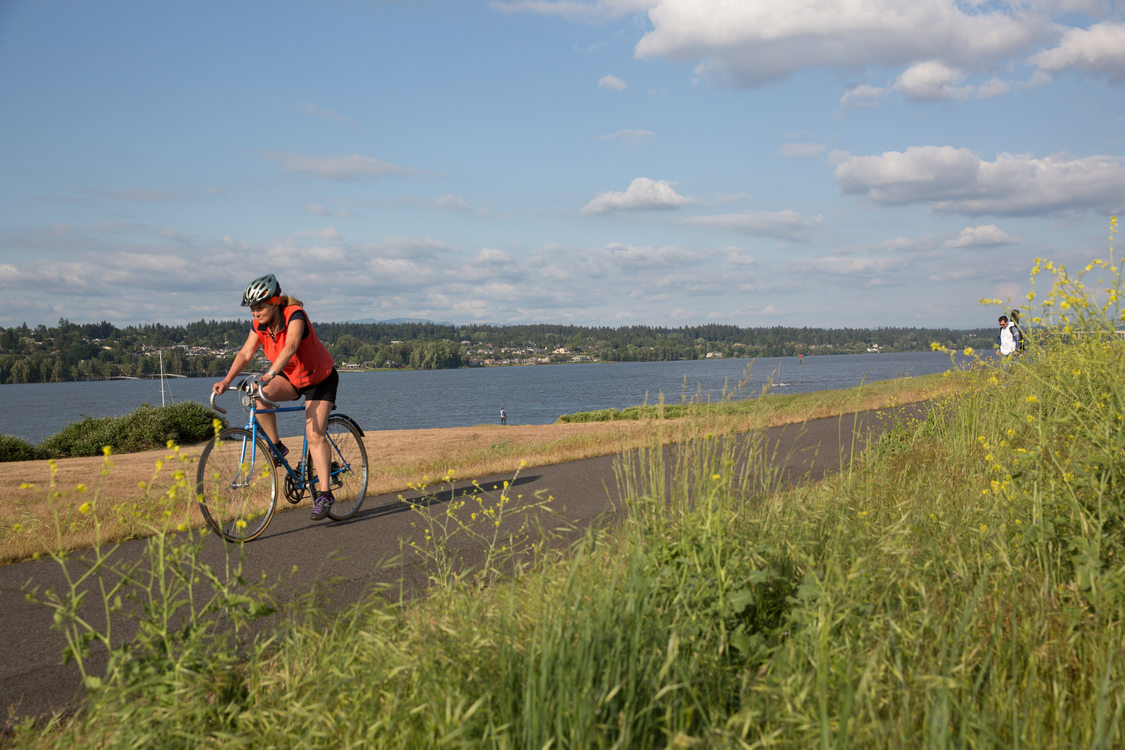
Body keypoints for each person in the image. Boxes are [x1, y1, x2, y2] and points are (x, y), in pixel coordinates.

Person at [212, 274, 341, 521]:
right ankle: (277, 445)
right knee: (258, 396)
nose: (255, 313)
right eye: (252, 309)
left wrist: (270, 372)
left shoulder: (295, 314)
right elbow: (245, 353)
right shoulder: (259, 326)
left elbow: (291, 346)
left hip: (320, 379)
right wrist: (226, 381)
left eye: (259, 307)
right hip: (292, 377)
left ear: (274, 301)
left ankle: (325, 494)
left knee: (315, 435)